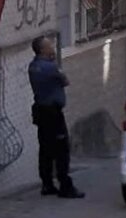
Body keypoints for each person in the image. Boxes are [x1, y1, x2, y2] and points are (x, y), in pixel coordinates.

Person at [28, 36, 84, 199]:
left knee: (45, 148)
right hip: (53, 113)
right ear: (43, 50)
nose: (52, 48)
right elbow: (65, 81)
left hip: (40, 111)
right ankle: (65, 185)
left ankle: (47, 184)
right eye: (49, 46)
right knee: (61, 149)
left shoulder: (33, 66)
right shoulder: (51, 67)